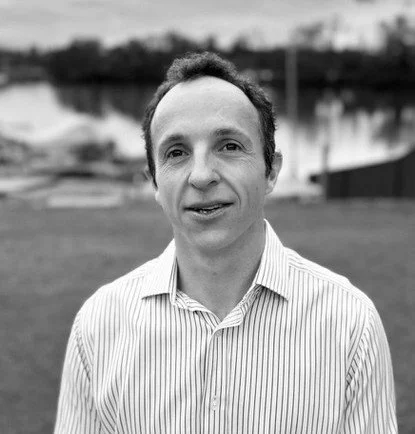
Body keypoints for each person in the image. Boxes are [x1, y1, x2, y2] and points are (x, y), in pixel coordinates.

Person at [55, 52, 397, 433]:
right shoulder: (98, 327)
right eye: (176, 153)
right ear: (154, 183)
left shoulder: (351, 326)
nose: (201, 176)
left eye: (229, 146)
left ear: (271, 171)